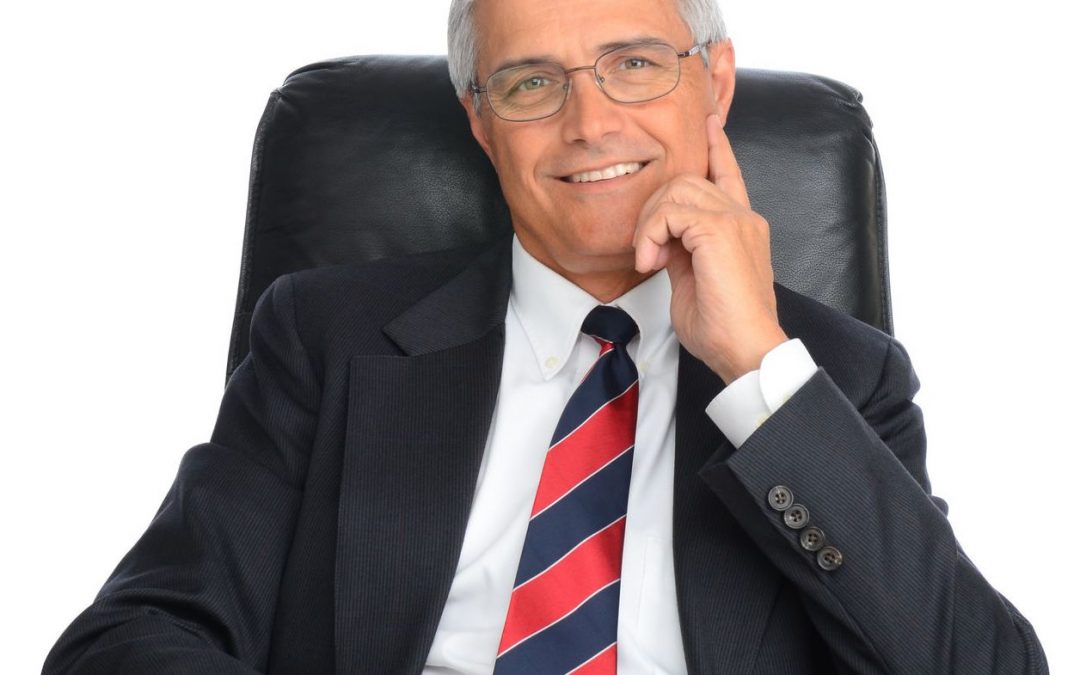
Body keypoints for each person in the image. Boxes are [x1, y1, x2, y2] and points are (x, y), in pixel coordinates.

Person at [44, 0, 1047, 673]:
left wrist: (757, 370)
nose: (589, 122)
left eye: (637, 65)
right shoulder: (327, 340)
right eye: (531, 83)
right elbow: (135, 636)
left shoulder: (836, 379)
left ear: (719, 84)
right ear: (481, 124)